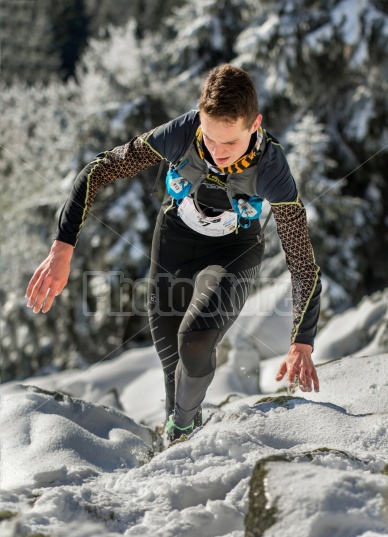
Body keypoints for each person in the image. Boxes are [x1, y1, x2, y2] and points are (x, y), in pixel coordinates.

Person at [26, 64, 321, 442]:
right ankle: (179, 443)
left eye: (230, 144)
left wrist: (301, 340)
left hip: (234, 251)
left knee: (195, 342)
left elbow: (301, 261)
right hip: (174, 243)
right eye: (210, 140)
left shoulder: (272, 169)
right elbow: (98, 170)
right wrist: (62, 247)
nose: (217, 153)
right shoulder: (180, 134)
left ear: (255, 125)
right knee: (174, 372)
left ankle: (182, 428)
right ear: (200, 119)